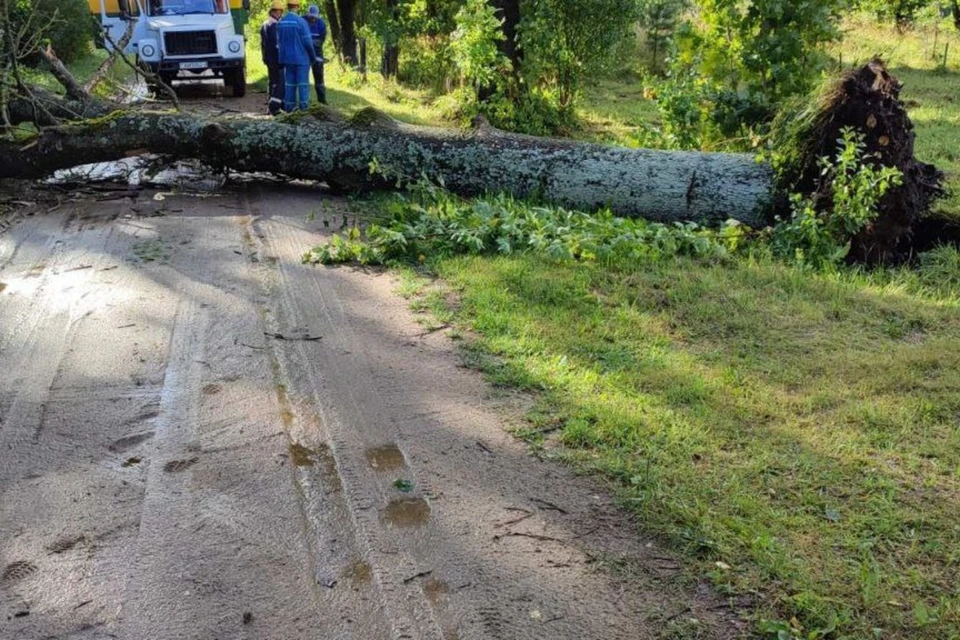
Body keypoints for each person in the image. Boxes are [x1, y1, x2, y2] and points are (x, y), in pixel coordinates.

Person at [276, 0, 317, 112]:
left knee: (290, 85)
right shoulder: (301, 22)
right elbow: (308, 43)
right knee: (303, 85)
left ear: (287, 7)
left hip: (287, 59)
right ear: (297, 7)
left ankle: (289, 109)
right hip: (301, 59)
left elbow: (279, 42)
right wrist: (313, 58)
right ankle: (304, 110)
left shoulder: (281, 22)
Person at [260, 0, 286, 115]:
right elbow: (277, 44)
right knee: (278, 83)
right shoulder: (274, 25)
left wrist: (265, 58)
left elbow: (263, 44)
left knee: (271, 82)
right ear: (276, 12)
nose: (280, 14)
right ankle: (274, 107)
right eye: (279, 11)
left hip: (268, 59)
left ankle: (269, 107)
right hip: (276, 59)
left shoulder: (265, 24)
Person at [304, 5, 327, 104]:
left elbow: (321, 40)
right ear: (308, 14)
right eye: (311, 16)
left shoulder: (321, 24)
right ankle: (304, 101)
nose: (313, 18)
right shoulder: (302, 21)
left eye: (315, 16)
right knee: (303, 78)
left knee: (319, 77)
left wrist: (311, 43)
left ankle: (322, 100)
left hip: (317, 53)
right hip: (304, 53)